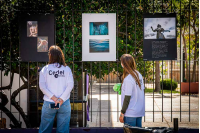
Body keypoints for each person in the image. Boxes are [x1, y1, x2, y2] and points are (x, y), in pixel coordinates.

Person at [39, 45, 74, 133]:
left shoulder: (45, 69)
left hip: (49, 102)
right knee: (63, 131)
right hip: (64, 103)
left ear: (50, 55)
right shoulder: (67, 69)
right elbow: (70, 85)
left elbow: (42, 87)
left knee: (45, 130)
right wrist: (61, 99)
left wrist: (54, 98)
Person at [119, 54, 145, 127]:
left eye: (121, 62)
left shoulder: (128, 79)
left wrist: (122, 113)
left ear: (123, 64)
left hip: (130, 113)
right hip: (139, 111)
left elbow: (127, 98)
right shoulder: (138, 74)